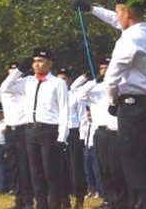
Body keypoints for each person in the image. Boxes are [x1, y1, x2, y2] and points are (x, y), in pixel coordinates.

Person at [76, 0, 146, 208]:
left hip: (131, 107)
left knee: (134, 166)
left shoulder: (129, 40)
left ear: (127, 12)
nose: (116, 16)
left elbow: (111, 79)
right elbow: (118, 22)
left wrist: (112, 102)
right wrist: (92, 9)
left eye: (118, 11)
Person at [2, 48, 69, 209]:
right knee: (35, 173)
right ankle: (41, 205)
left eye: (40, 61)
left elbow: (64, 111)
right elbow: (5, 87)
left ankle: (54, 205)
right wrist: (19, 70)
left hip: (49, 130)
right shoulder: (28, 81)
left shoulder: (57, 83)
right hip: (30, 130)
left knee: (50, 172)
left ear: (49, 63)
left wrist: (62, 137)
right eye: (34, 61)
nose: (36, 64)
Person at [73, 58, 126, 208]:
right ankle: (109, 199)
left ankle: (122, 200)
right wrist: (96, 80)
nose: (105, 70)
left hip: (116, 131)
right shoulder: (94, 87)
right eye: (102, 68)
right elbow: (79, 95)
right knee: (103, 169)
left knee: (117, 168)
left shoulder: (120, 84)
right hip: (100, 132)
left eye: (107, 67)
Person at [0, 61, 34, 209]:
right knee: (14, 167)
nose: (13, 73)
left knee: (25, 167)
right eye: (11, 71)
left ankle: (28, 202)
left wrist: (17, 74)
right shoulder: (4, 89)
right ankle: (19, 201)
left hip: (23, 129)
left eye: (15, 71)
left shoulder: (26, 83)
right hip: (10, 131)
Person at [56, 68, 87, 209]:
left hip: (73, 133)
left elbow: (83, 118)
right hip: (58, 134)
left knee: (76, 168)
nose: (61, 82)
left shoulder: (76, 96)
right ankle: (64, 200)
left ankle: (79, 200)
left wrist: (82, 138)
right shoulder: (53, 96)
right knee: (60, 168)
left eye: (64, 79)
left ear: (69, 81)